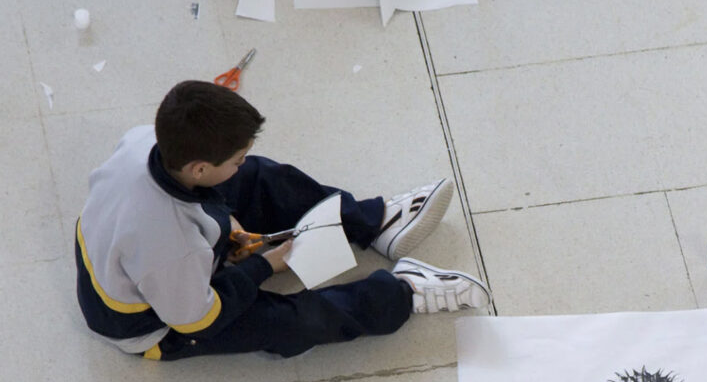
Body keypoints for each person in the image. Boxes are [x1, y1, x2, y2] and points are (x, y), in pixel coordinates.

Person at [74, 80, 490, 361]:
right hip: (155, 324)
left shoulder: (146, 139)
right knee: (290, 322)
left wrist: (223, 220)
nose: (239, 165)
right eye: (232, 159)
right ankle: (403, 292)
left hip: (142, 256)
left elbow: (197, 200)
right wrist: (262, 266)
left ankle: (373, 224)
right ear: (199, 169)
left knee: (260, 176)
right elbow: (199, 317)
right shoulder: (171, 248)